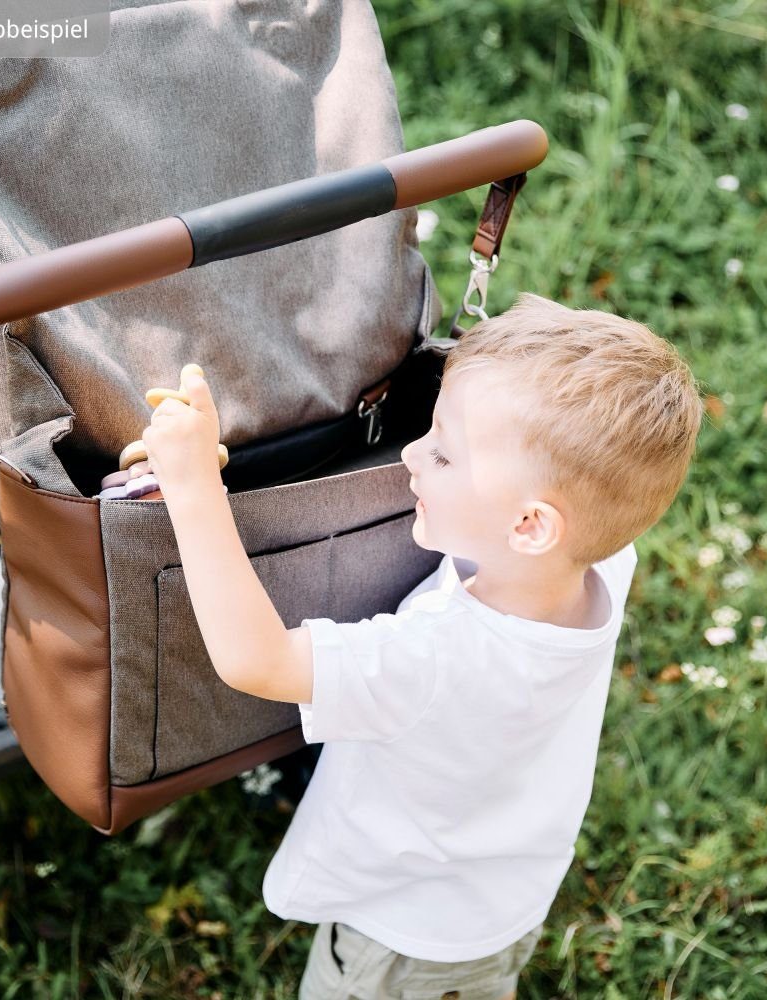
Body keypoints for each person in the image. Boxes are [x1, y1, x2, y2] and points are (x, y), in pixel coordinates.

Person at [136, 292, 703, 1000]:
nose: (410, 454)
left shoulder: (436, 658)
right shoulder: (601, 567)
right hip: (500, 898)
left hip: (402, 938)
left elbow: (257, 659)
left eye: (442, 451)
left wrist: (194, 488)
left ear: (529, 526)